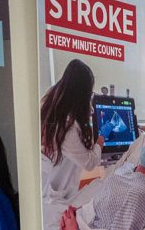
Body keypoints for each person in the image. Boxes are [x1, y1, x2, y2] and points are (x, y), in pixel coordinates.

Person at [41, 59, 103, 200]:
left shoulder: (54, 97)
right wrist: (101, 138)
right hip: (54, 197)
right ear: (79, 94)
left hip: (55, 182)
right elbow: (89, 163)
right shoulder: (65, 128)